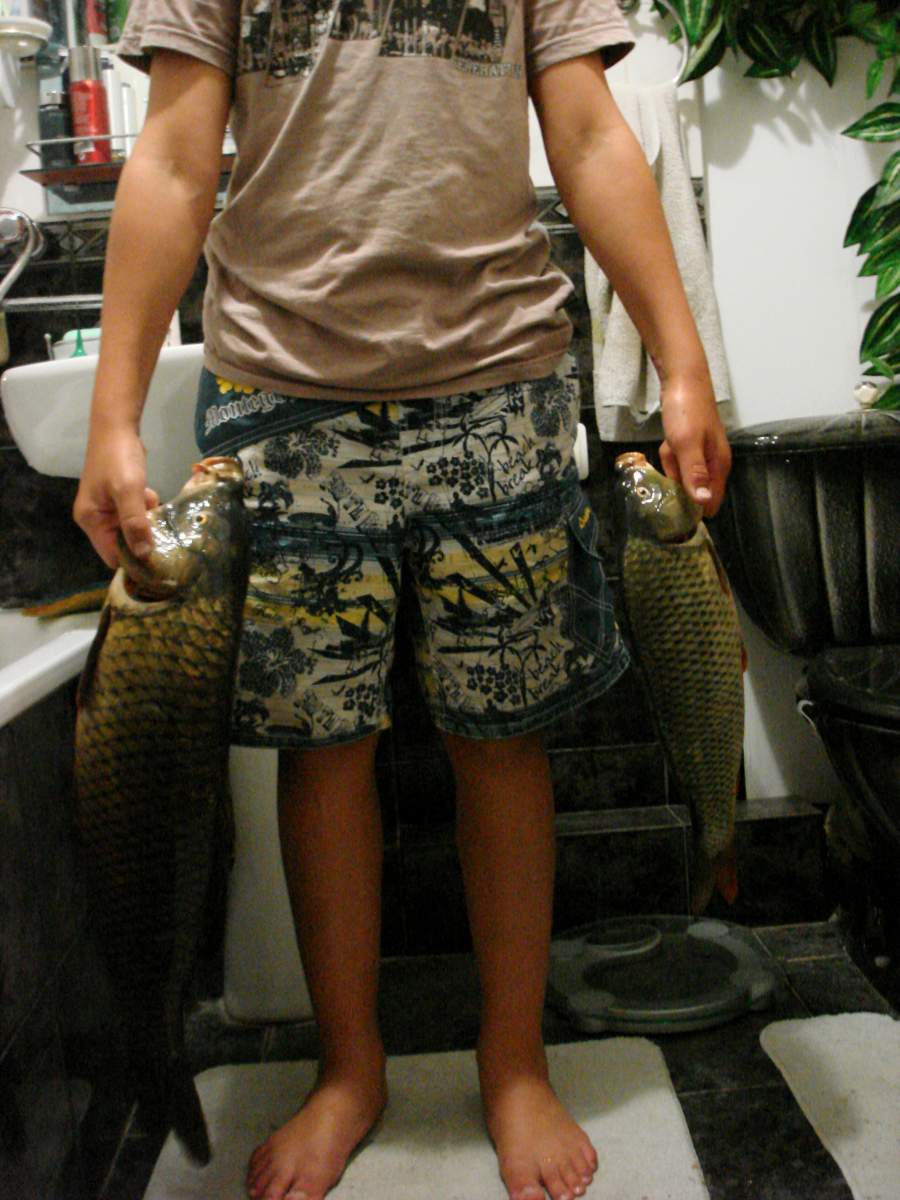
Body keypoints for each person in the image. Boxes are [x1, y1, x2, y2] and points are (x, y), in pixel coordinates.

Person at [73, 1, 732, 1198]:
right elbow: (170, 155)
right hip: (281, 386)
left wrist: (681, 360)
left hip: (500, 377)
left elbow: (589, 132)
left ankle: (514, 1060)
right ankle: (350, 1069)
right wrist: (111, 414)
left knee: (504, 740)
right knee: (321, 749)